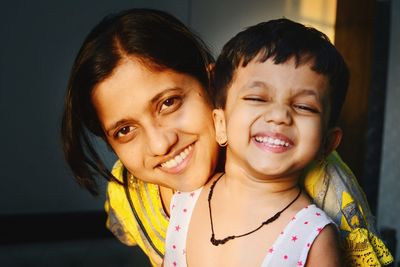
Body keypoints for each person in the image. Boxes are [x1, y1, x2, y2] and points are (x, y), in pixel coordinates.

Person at [61, 9, 392, 267]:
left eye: (169, 102)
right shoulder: (131, 191)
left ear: (211, 83)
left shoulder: (320, 185)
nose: (161, 144)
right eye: (124, 130)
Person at [163, 18, 393, 267]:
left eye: (304, 106)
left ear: (327, 143)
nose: (279, 116)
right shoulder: (185, 202)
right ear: (221, 124)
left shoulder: (314, 237)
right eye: (257, 98)